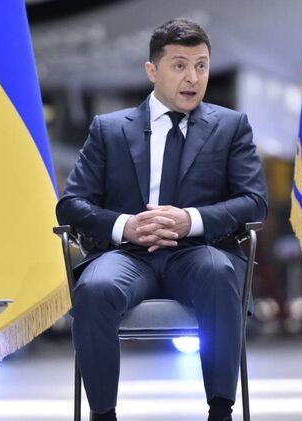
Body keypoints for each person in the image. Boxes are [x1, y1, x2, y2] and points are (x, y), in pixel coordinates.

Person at [56, 18, 268, 421]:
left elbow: (254, 202)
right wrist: (125, 226)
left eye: (201, 66)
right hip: (127, 254)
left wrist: (191, 219)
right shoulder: (109, 130)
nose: (193, 78)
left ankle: (220, 411)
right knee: (95, 289)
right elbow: (71, 205)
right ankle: (103, 414)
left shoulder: (230, 127)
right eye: (180, 65)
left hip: (199, 251)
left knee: (220, 274)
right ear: (152, 70)